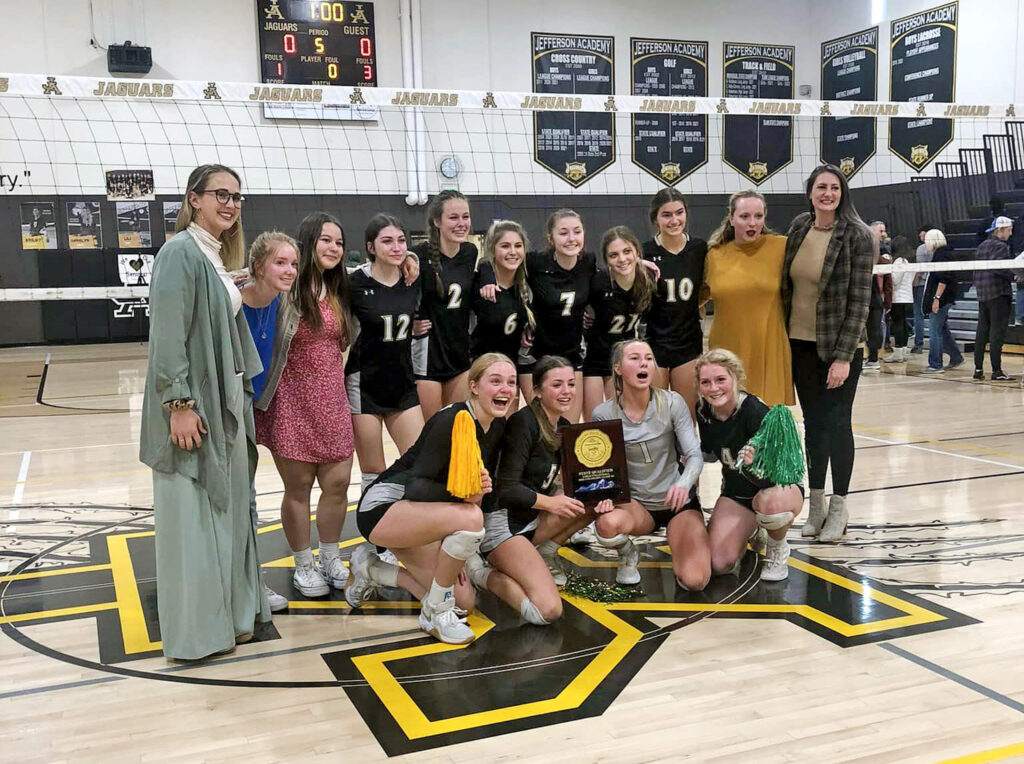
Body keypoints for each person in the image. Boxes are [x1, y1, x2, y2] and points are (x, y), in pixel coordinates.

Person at [140, 163, 271, 660]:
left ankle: (233, 619)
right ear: (194, 199)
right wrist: (178, 405)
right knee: (195, 519)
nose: (231, 204)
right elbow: (168, 335)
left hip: (226, 402)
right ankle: (198, 635)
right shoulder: (179, 252)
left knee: (227, 513)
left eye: (237, 196)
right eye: (221, 194)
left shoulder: (214, 256)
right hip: (194, 405)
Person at [345, 354, 517, 644]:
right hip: (384, 508)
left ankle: (369, 569)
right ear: (474, 386)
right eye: (496, 381)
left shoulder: (496, 426)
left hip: (425, 515)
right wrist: (464, 498)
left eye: (511, 382)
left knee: (464, 602)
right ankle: (435, 613)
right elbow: (416, 487)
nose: (505, 389)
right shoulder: (451, 419)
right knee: (470, 516)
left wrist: (458, 551)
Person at [255, 212, 356, 598]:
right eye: (326, 240)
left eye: (339, 242)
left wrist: (410, 260)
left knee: (338, 483)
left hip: (332, 398)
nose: (334, 248)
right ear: (308, 242)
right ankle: (303, 563)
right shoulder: (285, 288)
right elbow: (248, 284)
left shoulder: (340, 287)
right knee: (298, 487)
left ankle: (330, 556)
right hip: (292, 400)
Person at [782, 164, 874, 543]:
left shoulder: (858, 235)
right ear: (810, 192)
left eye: (834, 188)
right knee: (814, 425)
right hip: (800, 344)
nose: (828, 194)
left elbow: (860, 301)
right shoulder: (799, 228)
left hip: (839, 348)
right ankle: (816, 505)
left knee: (838, 425)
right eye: (821, 187)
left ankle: (839, 507)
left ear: (842, 194)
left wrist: (843, 357)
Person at [468, 356, 590, 623]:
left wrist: (600, 495)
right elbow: (507, 489)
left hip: (530, 519)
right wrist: (552, 503)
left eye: (571, 384)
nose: (566, 391)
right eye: (557, 385)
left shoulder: (564, 427)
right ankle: (480, 573)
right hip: (503, 524)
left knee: (591, 499)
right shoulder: (524, 422)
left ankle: (544, 553)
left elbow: (575, 481)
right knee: (547, 611)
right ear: (537, 390)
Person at [590, 340, 704, 589]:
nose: (644, 363)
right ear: (618, 368)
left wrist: (684, 484)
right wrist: (605, 495)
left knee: (695, 581)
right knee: (606, 524)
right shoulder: (603, 414)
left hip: (678, 504)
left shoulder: (672, 402)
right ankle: (627, 553)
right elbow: (600, 468)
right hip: (637, 506)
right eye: (634, 358)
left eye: (649, 358)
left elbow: (694, 454)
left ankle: (687, 539)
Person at [695, 349, 804, 581]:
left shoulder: (755, 411)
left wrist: (755, 466)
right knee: (719, 563)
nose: (713, 388)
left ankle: (777, 548)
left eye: (720, 380)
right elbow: (710, 454)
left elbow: (782, 473)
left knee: (770, 506)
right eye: (705, 382)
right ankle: (753, 528)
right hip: (737, 494)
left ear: (736, 378)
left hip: (777, 488)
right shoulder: (703, 410)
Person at [240, 231, 299, 613]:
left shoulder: (284, 301)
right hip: (229, 407)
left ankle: (249, 583)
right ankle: (246, 586)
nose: (290, 270)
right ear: (258, 266)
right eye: (280, 263)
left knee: (248, 500)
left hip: (259, 404)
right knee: (241, 500)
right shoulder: (231, 302)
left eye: (293, 263)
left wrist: (411, 260)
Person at [347, 215, 426, 494]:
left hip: (402, 384)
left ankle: (406, 517)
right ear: (371, 247)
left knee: (420, 462)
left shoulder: (412, 279)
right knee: (372, 470)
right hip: (364, 385)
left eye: (402, 240)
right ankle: (373, 522)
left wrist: (411, 257)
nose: (397, 247)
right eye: (387, 241)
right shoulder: (354, 283)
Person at [704, 190, 794, 406]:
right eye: (744, 216)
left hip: (769, 349)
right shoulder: (714, 255)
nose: (752, 223)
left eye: (758, 216)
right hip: (726, 349)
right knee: (729, 414)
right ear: (731, 218)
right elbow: (694, 299)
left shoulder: (781, 247)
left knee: (767, 418)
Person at [642, 188, 707, 416]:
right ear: (656, 219)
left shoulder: (699, 249)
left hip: (687, 343)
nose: (674, 220)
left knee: (687, 416)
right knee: (656, 417)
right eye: (666, 215)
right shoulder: (644, 252)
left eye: (679, 213)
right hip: (654, 343)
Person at [413, 190, 477, 421]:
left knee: (457, 429)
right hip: (428, 357)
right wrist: (409, 324)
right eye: (453, 217)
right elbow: (396, 293)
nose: (461, 223)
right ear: (437, 222)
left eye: (465, 217)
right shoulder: (417, 256)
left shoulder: (470, 252)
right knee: (431, 432)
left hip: (459, 357)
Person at [582, 226, 655, 418]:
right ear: (606, 260)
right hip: (594, 359)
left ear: (637, 252)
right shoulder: (598, 282)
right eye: (613, 255)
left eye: (627, 251)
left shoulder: (648, 279)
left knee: (622, 420)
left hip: (623, 360)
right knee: (593, 422)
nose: (622, 259)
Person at [470, 220, 532, 375]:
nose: (513, 252)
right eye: (505, 246)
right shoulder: (479, 285)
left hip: (514, 368)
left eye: (518, 246)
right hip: (480, 369)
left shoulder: (527, 286)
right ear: (493, 249)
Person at [972, 216, 1016, 381]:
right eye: (1009, 230)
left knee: (982, 331)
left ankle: (978, 369)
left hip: (983, 294)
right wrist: (1015, 275)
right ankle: (996, 371)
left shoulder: (981, 246)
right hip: (998, 293)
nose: (1010, 234)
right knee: (997, 332)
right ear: (1000, 230)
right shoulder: (1001, 246)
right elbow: (1000, 268)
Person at [920, 229, 965, 375]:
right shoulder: (943, 254)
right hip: (945, 298)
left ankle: (935, 364)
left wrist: (936, 299)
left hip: (942, 299)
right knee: (942, 330)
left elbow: (943, 279)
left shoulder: (942, 255)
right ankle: (956, 357)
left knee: (935, 331)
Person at [882, 235, 916, 363]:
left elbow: (895, 280)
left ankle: (898, 352)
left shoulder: (899, 261)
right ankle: (902, 351)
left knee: (898, 324)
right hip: (907, 296)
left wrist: (887, 272)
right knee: (902, 324)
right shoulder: (909, 260)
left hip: (898, 297)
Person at [911, 223, 934, 354]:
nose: (919, 235)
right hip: (934, 283)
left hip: (921, 284)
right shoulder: (938, 248)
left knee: (918, 315)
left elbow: (919, 269)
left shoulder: (922, 248)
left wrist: (913, 283)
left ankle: (918, 344)